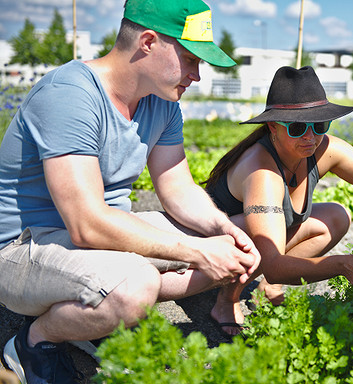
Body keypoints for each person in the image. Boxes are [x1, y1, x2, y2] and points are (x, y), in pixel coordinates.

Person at [0, 0, 261, 382]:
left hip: (93, 245)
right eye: (191, 60)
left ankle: (92, 319)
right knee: (135, 286)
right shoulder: (70, 96)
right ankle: (32, 344)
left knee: (230, 241)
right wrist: (196, 250)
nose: (197, 76)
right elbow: (87, 224)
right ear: (149, 41)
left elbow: (177, 187)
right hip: (22, 249)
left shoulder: (162, 102)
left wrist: (224, 231)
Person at [204, 65, 353, 336]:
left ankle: (267, 291)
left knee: (336, 217)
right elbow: (274, 265)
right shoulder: (262, 172)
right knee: (251, 231)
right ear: (273, 127)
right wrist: (341, 265)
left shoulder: (325, 148)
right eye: (298, 127)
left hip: (261, 240)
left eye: (319, 124)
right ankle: (225, 301)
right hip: (210, 252)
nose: (310, 137)